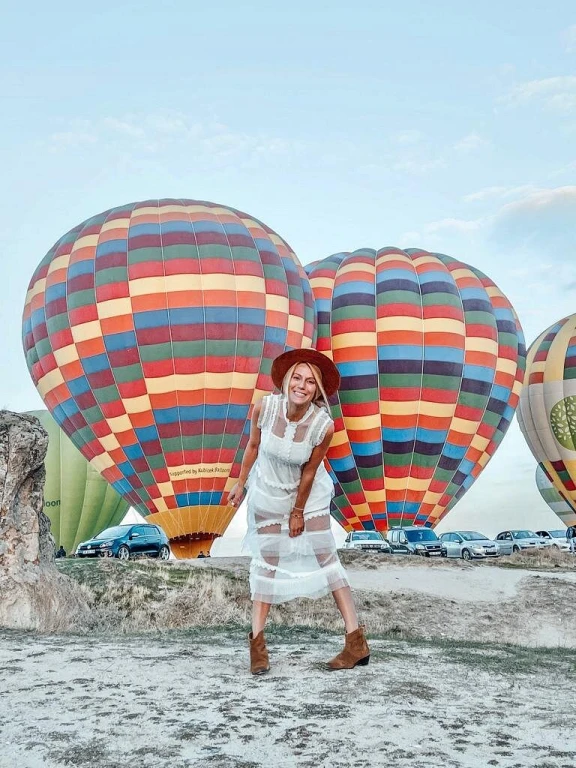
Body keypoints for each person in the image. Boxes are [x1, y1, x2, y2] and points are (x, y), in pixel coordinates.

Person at [227, 348, 369, 675]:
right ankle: (258, 646)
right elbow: (252, 446)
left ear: (317, 391)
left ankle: (355, 642)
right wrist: (240, 482)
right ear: (287, 380)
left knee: (327, 558)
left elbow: (309, 471)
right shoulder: (264, 407)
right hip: (267, 491)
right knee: (266, 564)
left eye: (310, 382)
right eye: (297, 378)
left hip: (309, 495)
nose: (302, 385)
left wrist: (298, 511)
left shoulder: (323, 426)